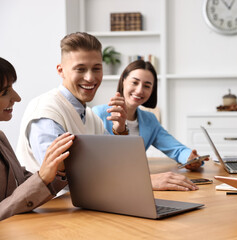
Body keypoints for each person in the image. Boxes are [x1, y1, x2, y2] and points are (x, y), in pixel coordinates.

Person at [16, 32, 198, 191]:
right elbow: (59, 176)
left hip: (83, 206)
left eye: (96, 68)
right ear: (61, 71)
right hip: (49, 215)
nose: (90, 77)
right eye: (80, 69)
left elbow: (115, 163)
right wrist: (145, 181)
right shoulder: (47, 111)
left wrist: (121, 131)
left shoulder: (89, 117)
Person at [92, 60, 208, 174]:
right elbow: (95, 162)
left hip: (137, 179)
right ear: (123, 81)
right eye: (135, 82)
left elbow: (176, 149)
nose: (139, 90)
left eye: (147, 86)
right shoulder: (98, 114)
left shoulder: (149, 120)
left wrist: (191, 158)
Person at [0, 57, 75, 221]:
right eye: (5, 92)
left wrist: (56, 171)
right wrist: (43, 176)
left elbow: (19, 182)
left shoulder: (1, 137)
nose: (17, 98)